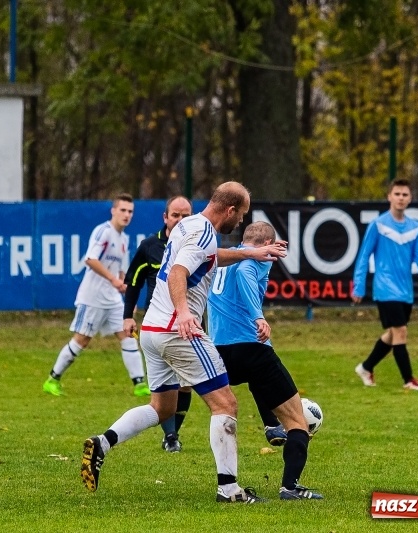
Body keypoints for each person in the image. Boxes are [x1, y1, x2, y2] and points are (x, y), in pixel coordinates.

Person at [81, 181, 287, 503]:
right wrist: (185, 313)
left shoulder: (189, 225)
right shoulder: (204, 231)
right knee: (226, 404)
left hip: (152, 330)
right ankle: (229, 489)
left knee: (163, 408)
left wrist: (251, 252)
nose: (242, 222)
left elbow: (210, 256)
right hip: (178, 331)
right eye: (242, 215)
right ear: (230, 210)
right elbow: (178, 271)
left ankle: (103, 442)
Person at [208, 221, 323, 500]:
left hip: (220, 351)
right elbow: (247, 276)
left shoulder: (226, 258)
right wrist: (257, 315)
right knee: (298, 421)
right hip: (252, 346)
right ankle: (290, 487)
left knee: (232, 400)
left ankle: (269, 424)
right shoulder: (254, 261)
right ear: (265, 245)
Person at [43, 193, 150, 397]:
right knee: (81, 340)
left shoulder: (123, 239)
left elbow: (121, 273)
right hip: (92, 297)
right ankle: (52, 379)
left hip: (112, 299)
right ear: (113, 211)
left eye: (130, 211)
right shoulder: (103, 232)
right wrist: (112, 279)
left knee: (128, 335)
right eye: (123, 210)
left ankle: (140, 384)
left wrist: (129, 299)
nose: (126, 215)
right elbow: (90, 259)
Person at [122, 195, 194, 453]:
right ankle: (171, 436)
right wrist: (128, 315)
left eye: (186, 216)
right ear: (165, 217)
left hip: (188, 322)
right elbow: (133, 282)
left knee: (186, 383)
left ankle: (174, 433)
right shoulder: (150, 246)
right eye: (176, 215)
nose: (180, 220)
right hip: (158, 323)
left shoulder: (197, 244)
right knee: (166, 385)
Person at [352, 178, 418, 391]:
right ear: (389, 196)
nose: (401, 198)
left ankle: (366, 367)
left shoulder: (415, 228)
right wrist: (358, 286)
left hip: (405, 290)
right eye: (397, 194)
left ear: (410, 198)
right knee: (401, 332)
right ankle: (409, 380)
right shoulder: (378, 225)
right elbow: (363, 256)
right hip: (385, 288)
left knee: (393, 334)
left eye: (405, 194)